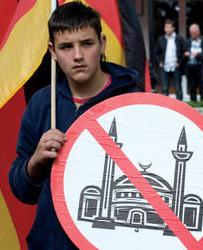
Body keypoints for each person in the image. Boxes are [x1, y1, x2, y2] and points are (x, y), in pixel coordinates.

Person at [8, 1, 139, 249]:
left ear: (102, 43)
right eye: (66, 47)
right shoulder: (42, 103)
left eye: (86, 44)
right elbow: (21, 191)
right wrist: (35, 162)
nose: (77, 55)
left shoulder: (133, 104)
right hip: (50, 242)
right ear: (53, 51)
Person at [154, 19, 186, 101]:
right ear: (164, 28)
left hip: (176, 66)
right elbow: (156, 52)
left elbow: (185, 52)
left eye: (169, 27)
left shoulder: (179, 39)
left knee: (178, 88)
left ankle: (180, 107)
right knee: (164, 88)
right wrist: (159, 62)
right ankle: (166, 106)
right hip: (164, 66)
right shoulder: (161, 39)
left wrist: (180, 62)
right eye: (166, 27)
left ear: (173, 28)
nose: (167, 29)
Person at [185, 23, 203, 102]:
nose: (192, 35)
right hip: (190, 68)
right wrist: (185, 54)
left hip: (201, 68)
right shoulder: (188, 42)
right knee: (192, 88)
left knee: (202, 87)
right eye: (191, 33)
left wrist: (198, 55)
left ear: (198, 32)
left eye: (194, 33)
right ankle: (193, 106)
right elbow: (182, 53)